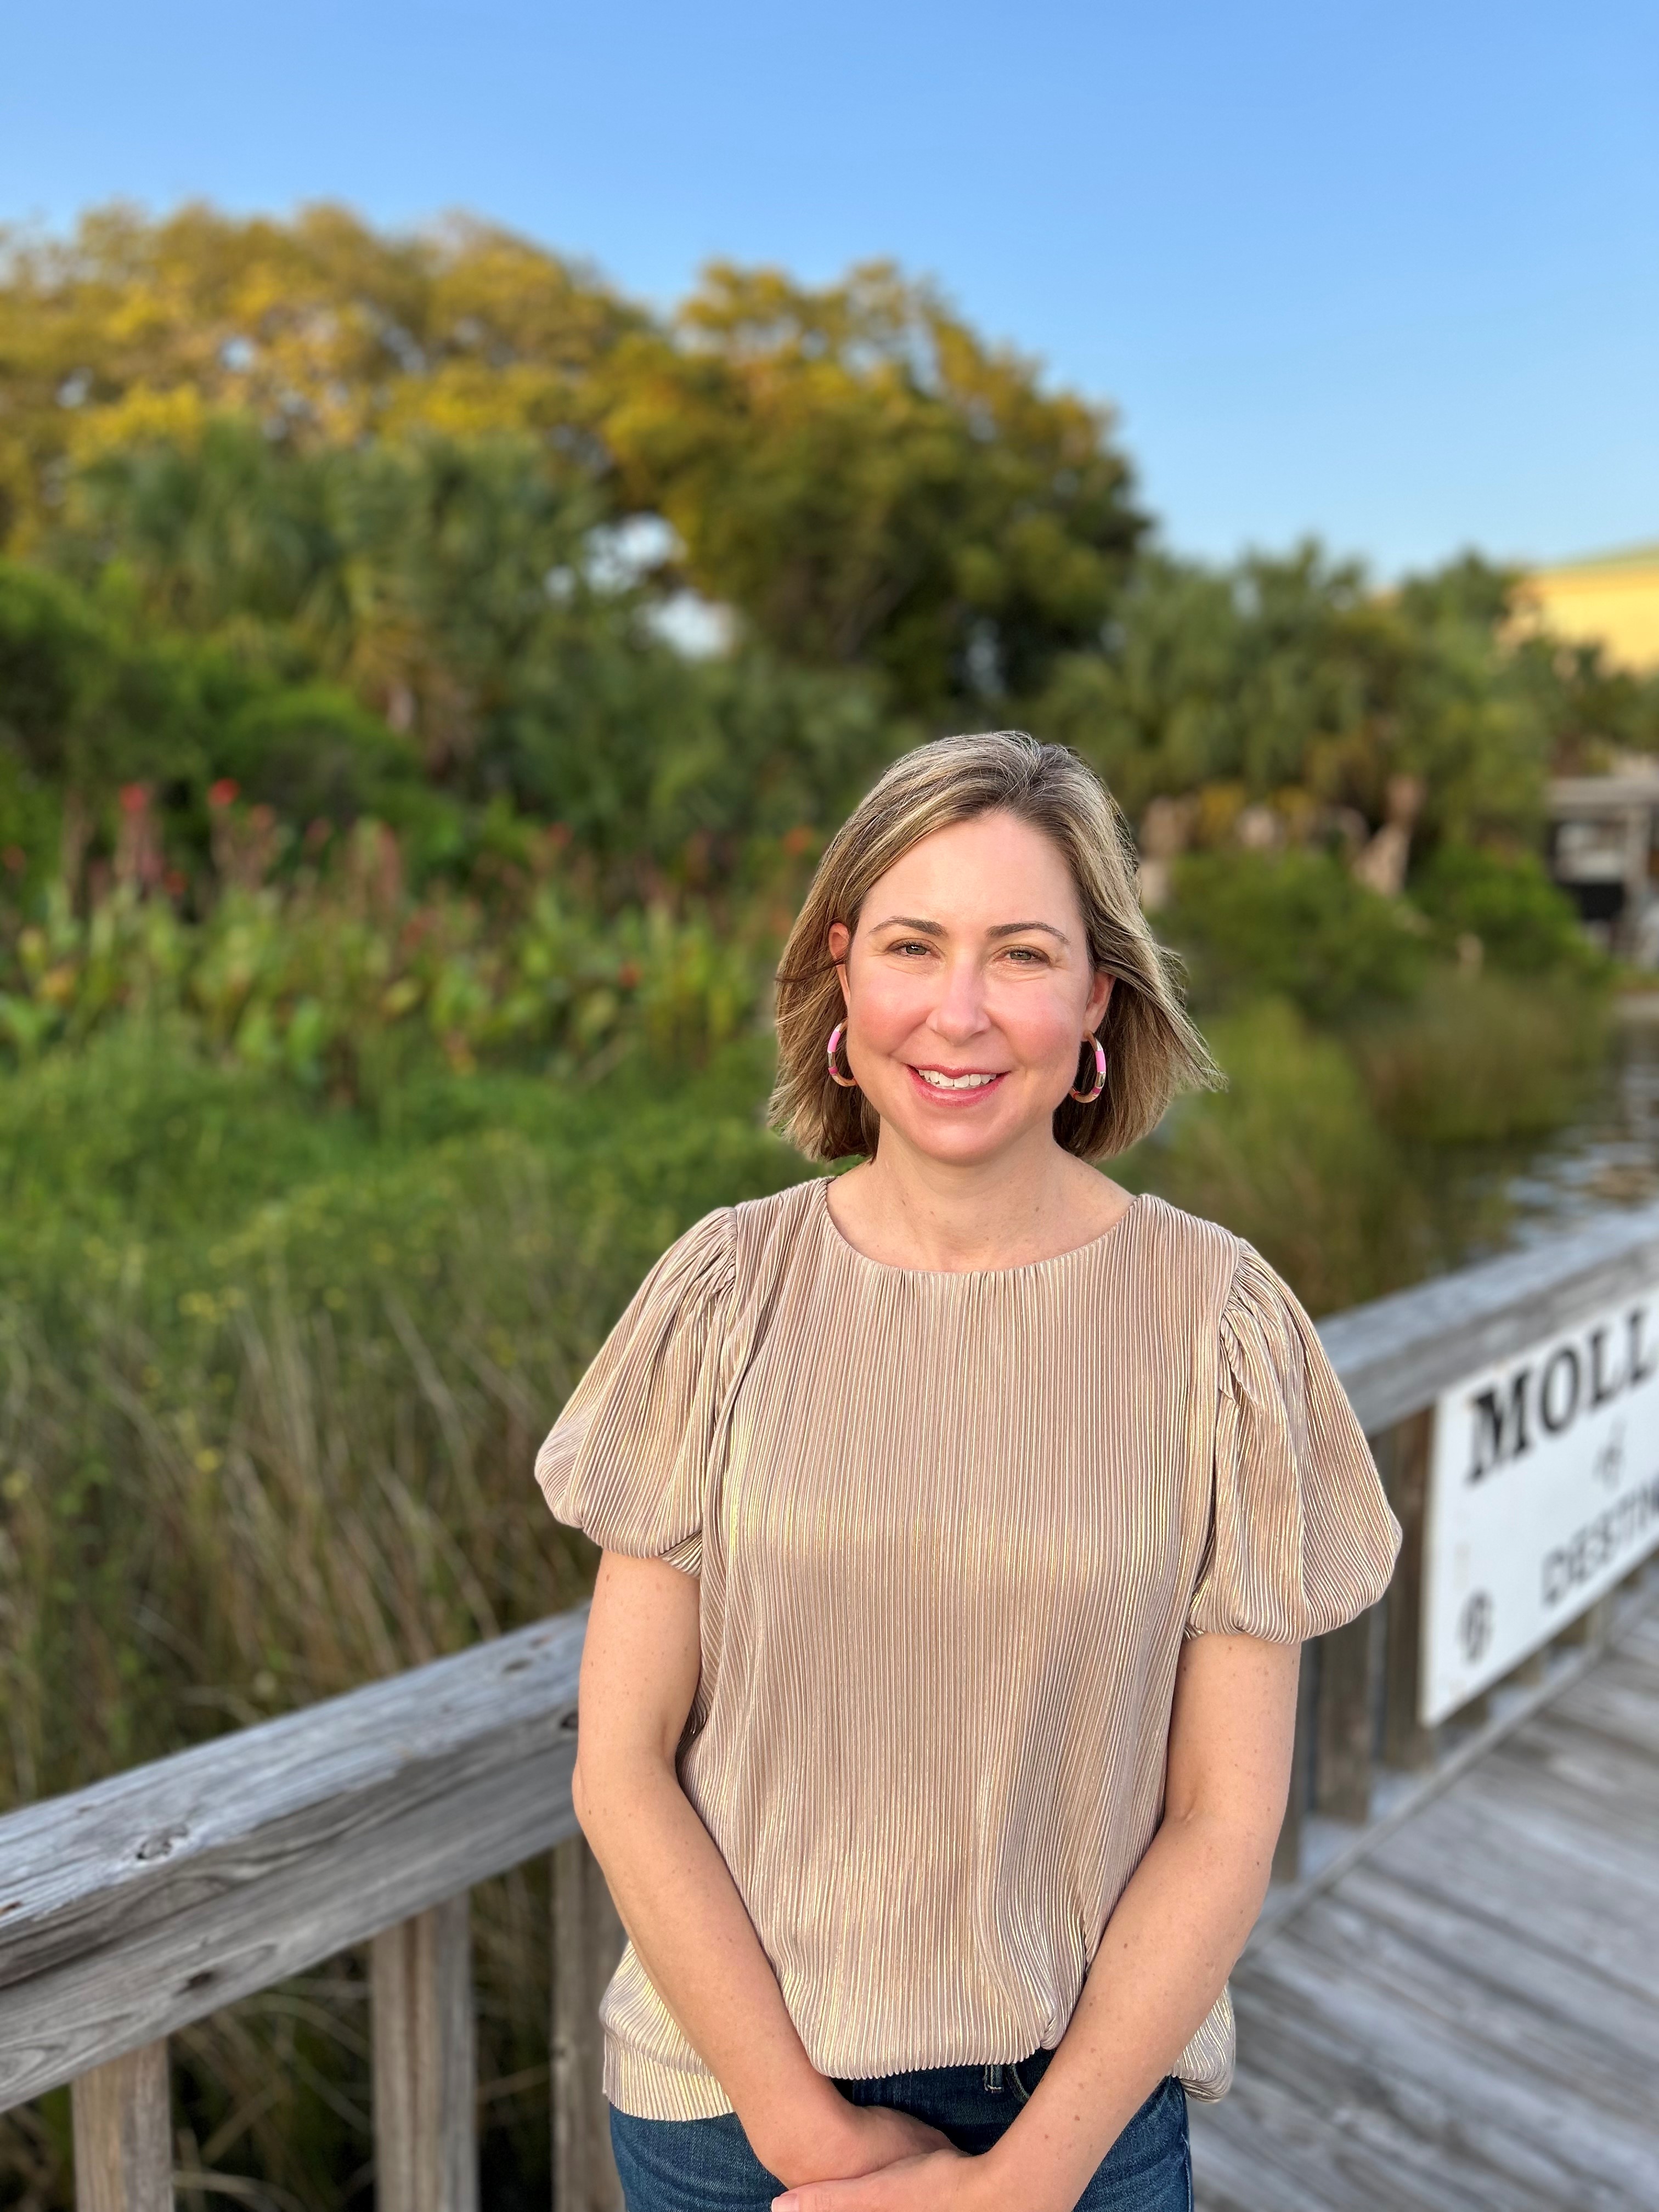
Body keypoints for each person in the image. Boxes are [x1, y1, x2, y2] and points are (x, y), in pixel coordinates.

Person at [536, 731, 1402, 2212]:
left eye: (1020, 953)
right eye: (913, 944)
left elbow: (1222, 1816)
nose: (958, 1010)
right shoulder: (722, 1293)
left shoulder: (1223, 1327)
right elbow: (622, 1762)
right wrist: (805, 2135)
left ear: (1095, 1005)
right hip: (724, 2116)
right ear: (842, 977)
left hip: (1075, 2121)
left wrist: (1024, 2182)